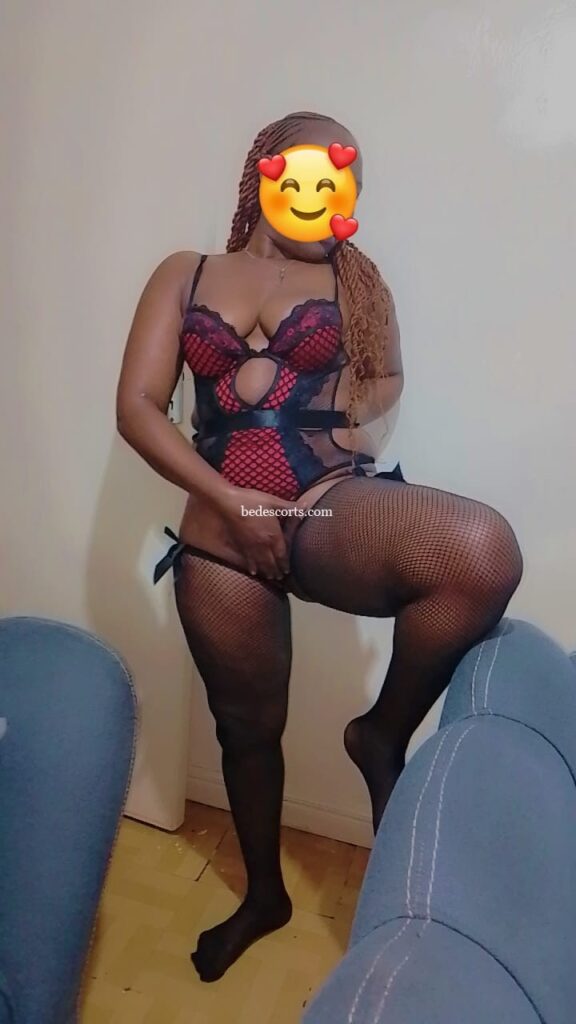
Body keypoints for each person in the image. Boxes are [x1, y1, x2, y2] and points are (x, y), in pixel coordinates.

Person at [116, 111, 523, 982]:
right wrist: (231, 503)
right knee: (246, 728)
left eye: (345, 187)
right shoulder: (186, 273)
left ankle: (379, 735)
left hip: (322, 506)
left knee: (479, 551)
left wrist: (337, 418)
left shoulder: (356, 283)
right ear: (263, 174)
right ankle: (265, 896)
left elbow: (389, 375)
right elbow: (138, 407)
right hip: (218, 528)